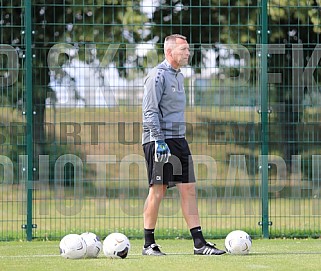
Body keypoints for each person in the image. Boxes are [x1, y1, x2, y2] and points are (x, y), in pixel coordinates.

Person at [141, 34, 226, 256]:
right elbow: (149, 112)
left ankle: (199, 243)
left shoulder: (178, 76)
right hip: (159, 142)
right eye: (184, 50)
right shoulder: (157, 76)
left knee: (188, 189)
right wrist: (159, 141)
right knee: (157, 191)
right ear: (170, 52)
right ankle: (148, 244)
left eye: (188, 49)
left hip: (178, 141)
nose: (188, 53)